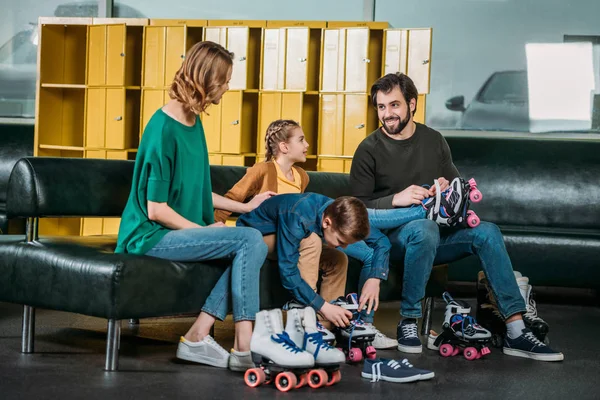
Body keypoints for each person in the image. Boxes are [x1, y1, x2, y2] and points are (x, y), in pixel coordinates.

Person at [348, 72, 563, 361]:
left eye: (395, 105)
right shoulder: (368, 149)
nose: (388, 114)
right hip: (395, 240)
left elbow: (458, 192)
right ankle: (408, 322)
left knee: (487, 232)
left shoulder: (434, 140)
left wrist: (448, 193)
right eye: (382, 107)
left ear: (412, 104)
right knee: (424, 229)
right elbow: (356, 212)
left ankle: (516, 330)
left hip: (438, 235)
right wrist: (395, 200)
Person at [115, 41, 275, 372]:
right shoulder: (163, 129)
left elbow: (198, 191)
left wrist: (245, 208)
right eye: (225, 79)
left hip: (177, 231)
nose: (228, 87)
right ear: (207, 79)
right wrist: (206, 230)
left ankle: (198, 335)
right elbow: (157, 209)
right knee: (248, 241)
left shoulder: (193, 122)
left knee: (252, 243)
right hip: (150, 236)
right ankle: (245, 344)